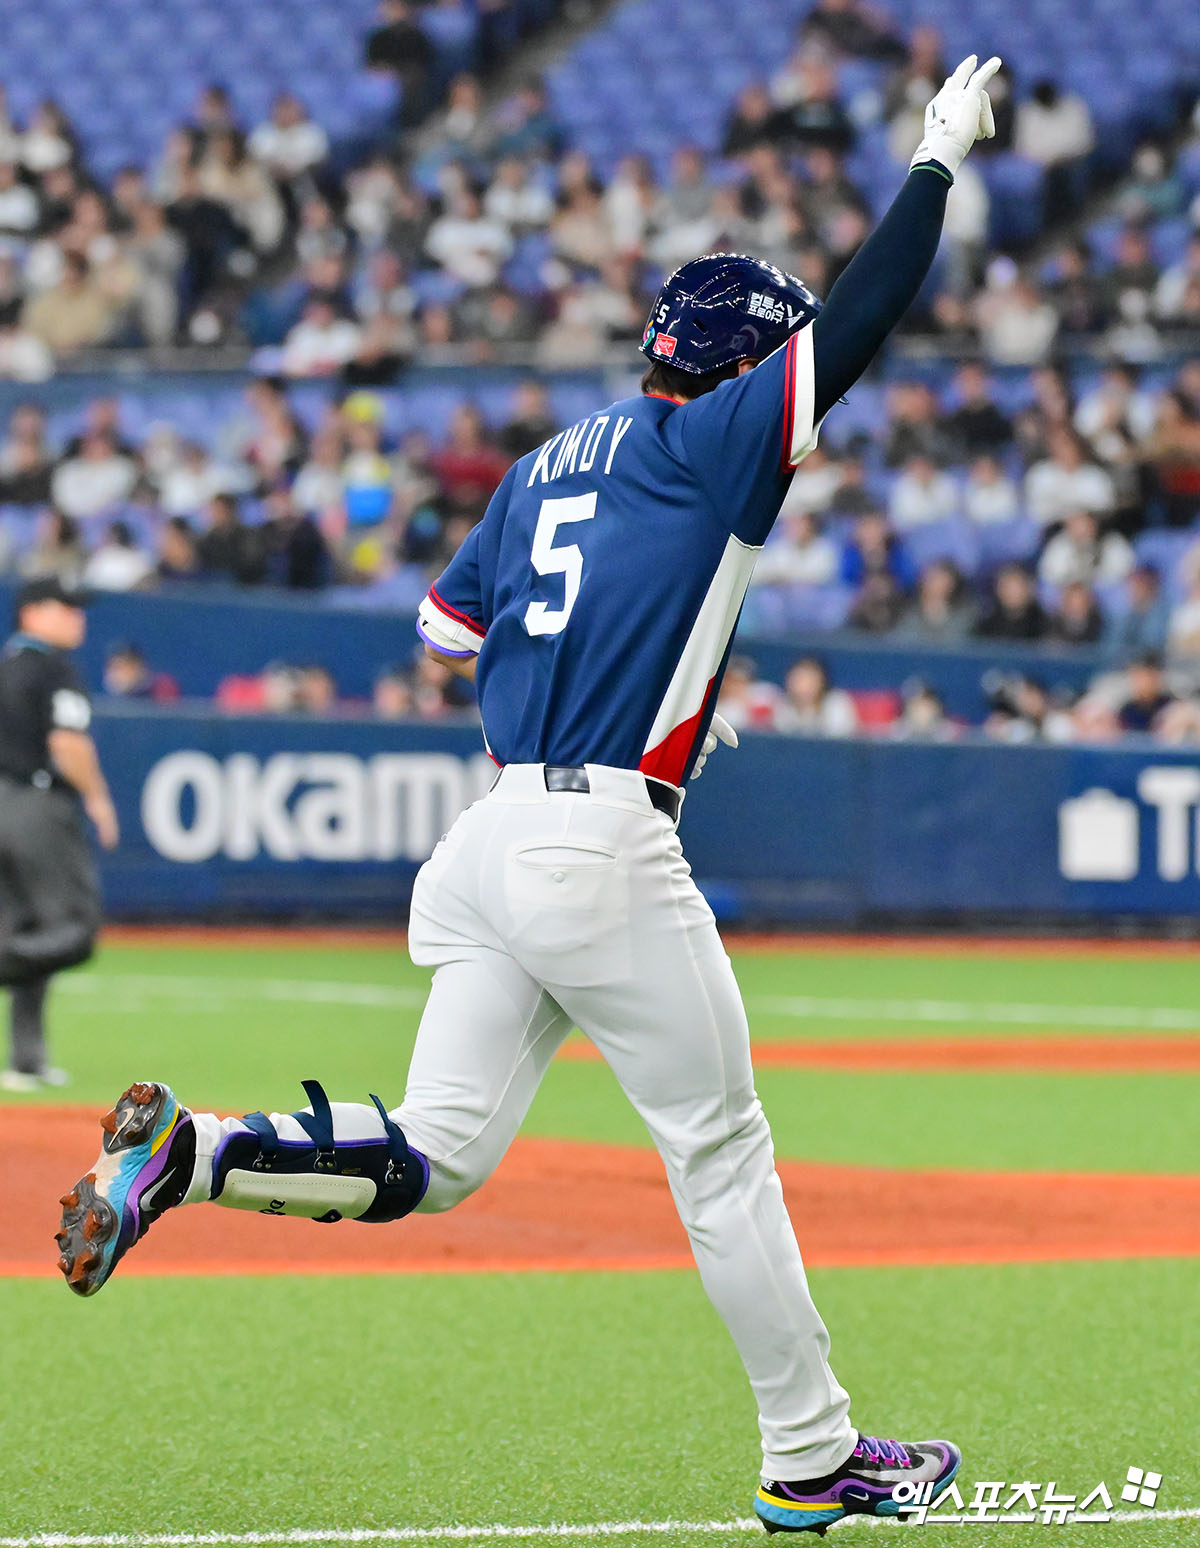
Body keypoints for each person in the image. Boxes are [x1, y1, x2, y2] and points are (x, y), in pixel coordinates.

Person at [56, 53, 1004, 1537]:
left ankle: (205, 1149)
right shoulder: (714, 438)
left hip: (492, 836)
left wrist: (620, 674)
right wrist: (936, 159)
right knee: (722, 1151)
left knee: (436, 1161)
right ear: (745, 362)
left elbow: (445, 635)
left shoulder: (546, 462)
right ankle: (815, 1453)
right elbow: (868, 318)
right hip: (602, 844)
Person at [1, 579, 117, 1090]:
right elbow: (68, 745)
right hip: (34, 806)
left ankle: (26, 1058)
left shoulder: (6, 666)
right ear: (32, 612)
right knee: (75, 927)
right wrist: (97, 798)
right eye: (65, 607)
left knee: (26, 924)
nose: (77, 617)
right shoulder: (52, 668)